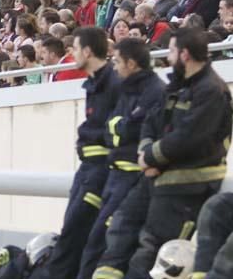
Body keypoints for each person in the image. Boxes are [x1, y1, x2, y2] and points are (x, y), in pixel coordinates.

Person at [95, 28, 232, 279]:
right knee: (119, 232)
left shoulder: (212, 91)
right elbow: (150, 122)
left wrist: (150, 157)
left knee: (149, 254)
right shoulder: (175, 87)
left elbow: (190, 137)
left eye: (170, 51)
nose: (167, 57)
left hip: (187, 188)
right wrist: (146, 153)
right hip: (154, 180)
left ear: (185, 54)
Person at [31, 26, 119, 279]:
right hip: (87, 169)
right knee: (71, 230)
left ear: (88, 51)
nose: (73, 53)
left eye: (77, 49)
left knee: (76, 234)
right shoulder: (95, 82)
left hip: (100, 172)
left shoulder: (113, 82)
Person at [77, 38, 164, 279]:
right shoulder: (127, 88)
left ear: (132, 63)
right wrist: (120, 128)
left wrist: (119, 128)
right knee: (95, 240)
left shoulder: (154, 91)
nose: (114, 67)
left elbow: (132, 129)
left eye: (117, 62)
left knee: (100, 241)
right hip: (114, 175)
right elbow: (112, 128)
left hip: (131, 178)